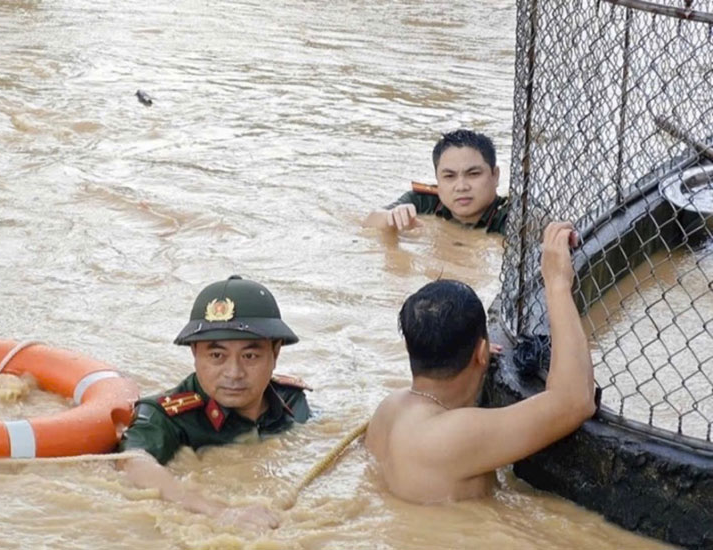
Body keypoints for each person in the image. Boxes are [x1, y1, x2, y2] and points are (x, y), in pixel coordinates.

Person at [365, 222, 595, 503]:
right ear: (481, 352)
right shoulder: (454, 435)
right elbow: (575, 401)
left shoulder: (388, 410)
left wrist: (480, 355)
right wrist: (557, 284)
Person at [118, 275, 310, 529]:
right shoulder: (164, 416)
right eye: (217, 355)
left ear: (275, 353)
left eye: (250, 355)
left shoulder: (291, 400)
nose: (234, 372)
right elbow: (132, 463)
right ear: (194, 352)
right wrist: (218, 512)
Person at [363, 129, 509, 234]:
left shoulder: (509, 216)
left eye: (473, 174)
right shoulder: (423, 202)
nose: (461, 187)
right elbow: (369, 221)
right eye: (449, 176)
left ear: (495, 176)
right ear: (437, 180)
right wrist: (391, 218)